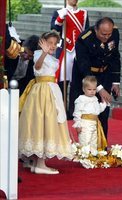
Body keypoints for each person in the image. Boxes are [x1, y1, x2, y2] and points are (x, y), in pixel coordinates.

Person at [18, 30, 73, 175]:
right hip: (43, 92)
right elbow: (37, 67)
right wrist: (43, 52)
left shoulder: (51, 56)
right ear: (42, 42)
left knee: (44, 123)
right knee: (43, 123)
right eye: (50, 43)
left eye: (55, 44)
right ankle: (40, 164)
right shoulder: (38, 55)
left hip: (50, 90)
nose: (52, 46)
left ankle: (37, 162)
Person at [69, 17, 121, 140]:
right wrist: (99, 89)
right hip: (85, 76)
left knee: (103, 112)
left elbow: (115, 56)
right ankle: (86, 148)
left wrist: (116, 81)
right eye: (103, 34)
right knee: (86, 112)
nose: (107, 37)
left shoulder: (115, 33)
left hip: (105, 73)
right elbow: (84, 68)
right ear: (96, 30)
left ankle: (102, 148)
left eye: (109, 34)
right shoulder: (84, 40)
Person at [50, 0, 89, 97]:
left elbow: (87, 32)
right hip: (65, 49)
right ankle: (61, 109)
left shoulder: (84, 13)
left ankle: (73, 110)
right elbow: (54, 28)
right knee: (62, 82)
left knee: (77, 82)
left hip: (79, 51)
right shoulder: (59, 12)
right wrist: (60, 17)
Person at [73, 76, 107, 151]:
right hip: (85, 124)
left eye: (94, 89)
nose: (92, 91)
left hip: (94, 124)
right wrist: (78, 125)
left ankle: (91, 159)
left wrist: (104, 103)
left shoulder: (95, 99)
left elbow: (98, 110)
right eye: (89, 89)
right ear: (83, 89)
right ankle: (84, 160)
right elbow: (77, 112)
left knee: (93, 142)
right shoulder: (81, 99)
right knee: (85, 141)